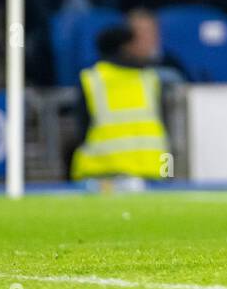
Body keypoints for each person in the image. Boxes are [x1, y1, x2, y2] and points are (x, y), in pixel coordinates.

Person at [69, 25, 172, 183]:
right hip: (152, 173)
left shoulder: (91, 79)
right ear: (124, 48)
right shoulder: (151, 79)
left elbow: (81, 130)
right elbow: (165, 127)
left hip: (99, 173)